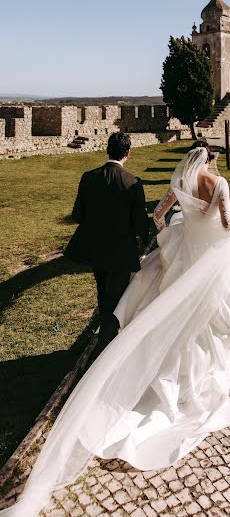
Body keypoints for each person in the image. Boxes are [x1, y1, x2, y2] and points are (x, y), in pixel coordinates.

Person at [0, 146, 230, 517]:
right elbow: (225, 222)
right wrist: (218, 226)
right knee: (203, 321)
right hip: (210, 257)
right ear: (210, 162)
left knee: (166, 312)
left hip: (184, 256)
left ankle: (142, 358)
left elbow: (158, 215)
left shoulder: (178, 182)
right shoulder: (219, 183)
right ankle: (186, 378)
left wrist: (177, 226)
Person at [64, 132, 149, 357]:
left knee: (103, 294)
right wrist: (144, 239)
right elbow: (140, 223)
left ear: (107, 150)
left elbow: (78, 214)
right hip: (121, 251)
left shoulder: (88, 177)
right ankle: (106, 350)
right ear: (128, 153)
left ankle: (106, 342)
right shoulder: (133, 182)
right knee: (115, 298)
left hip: (95, 249)